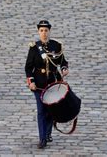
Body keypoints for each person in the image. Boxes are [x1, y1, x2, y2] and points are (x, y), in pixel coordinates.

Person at [24, 20, 69, 149]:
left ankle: (48, 133)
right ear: (39, 32)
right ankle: (42, 138)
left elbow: (62, 61)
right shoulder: (34, 48)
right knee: (41, 111)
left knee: (51, 111)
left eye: (46, 31)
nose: (44, 33)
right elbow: (28, 68)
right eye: (41, 31)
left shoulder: (56, 46)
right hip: (39, 84)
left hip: (53, 84)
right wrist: (31, 82)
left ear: (49, 31)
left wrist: (65, 68)